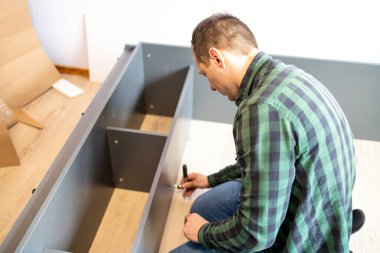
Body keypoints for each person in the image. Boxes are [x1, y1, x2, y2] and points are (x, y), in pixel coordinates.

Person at [170, 13, 356, 253]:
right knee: (204, 206)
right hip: (323, 209)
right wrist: (210, 179)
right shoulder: (289, 76)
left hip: (304, 235)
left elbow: (255, 236)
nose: (212, 87)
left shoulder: (261, 109)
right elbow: (267, 160)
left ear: (217, 58)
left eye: (205, 74)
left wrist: (202, 232)